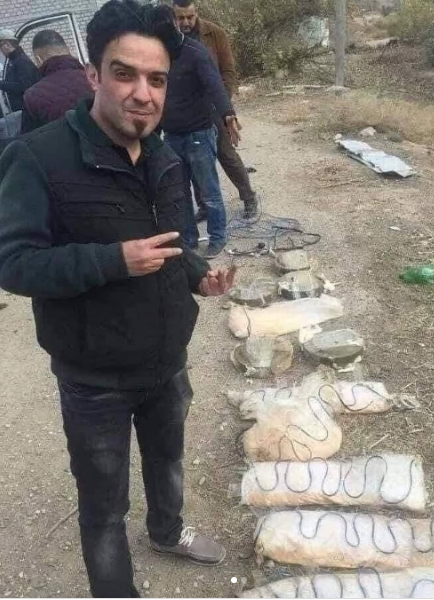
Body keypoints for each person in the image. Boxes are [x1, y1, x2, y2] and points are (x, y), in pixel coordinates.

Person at [0, 1, 236, 597]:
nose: (142, 94)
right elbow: (13, 262)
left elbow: (174, 245)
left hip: (167, 361)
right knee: (104, 505)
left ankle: (167, 531)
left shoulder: (164, 154)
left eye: (156, 79)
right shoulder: (39, 156)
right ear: (94, 75)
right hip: (94, 380)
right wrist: (113, 260)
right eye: (125, 73)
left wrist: (199, 275)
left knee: (167, 462)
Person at [159, 6, 241, 259]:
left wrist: (228, 114)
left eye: (188, 17)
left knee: (209, 192)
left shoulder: (196, 52)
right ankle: (189, 239)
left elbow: (215, 85)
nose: (185, 22)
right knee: (180, 193)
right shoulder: (160, 54)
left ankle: (217, 237)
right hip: (171, 136)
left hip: (199, 134)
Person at [173, 0, 258, 221]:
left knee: (226, 154)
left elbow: (228, 72)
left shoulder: (215, 33)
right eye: (181, 18)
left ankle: (248, 197)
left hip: (214, 106)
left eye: (190, 17)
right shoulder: (170, 38)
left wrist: (223, 106)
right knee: (194, 159)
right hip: (188, 111)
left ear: (196, 12)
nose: (186, 22)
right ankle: (203, 206)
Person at [21, 30, 93, 133]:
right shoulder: (95, 77)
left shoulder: (32, 95)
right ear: (69, 51)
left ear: (38, 59)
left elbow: (29, 137)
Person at [0, 29, 40, 112]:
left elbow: (25, 87)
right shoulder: (13, 60)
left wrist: (1, 84)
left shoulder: (22, 61)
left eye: (0, 46)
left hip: (26, 111)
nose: (0, 50)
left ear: (7, 44)